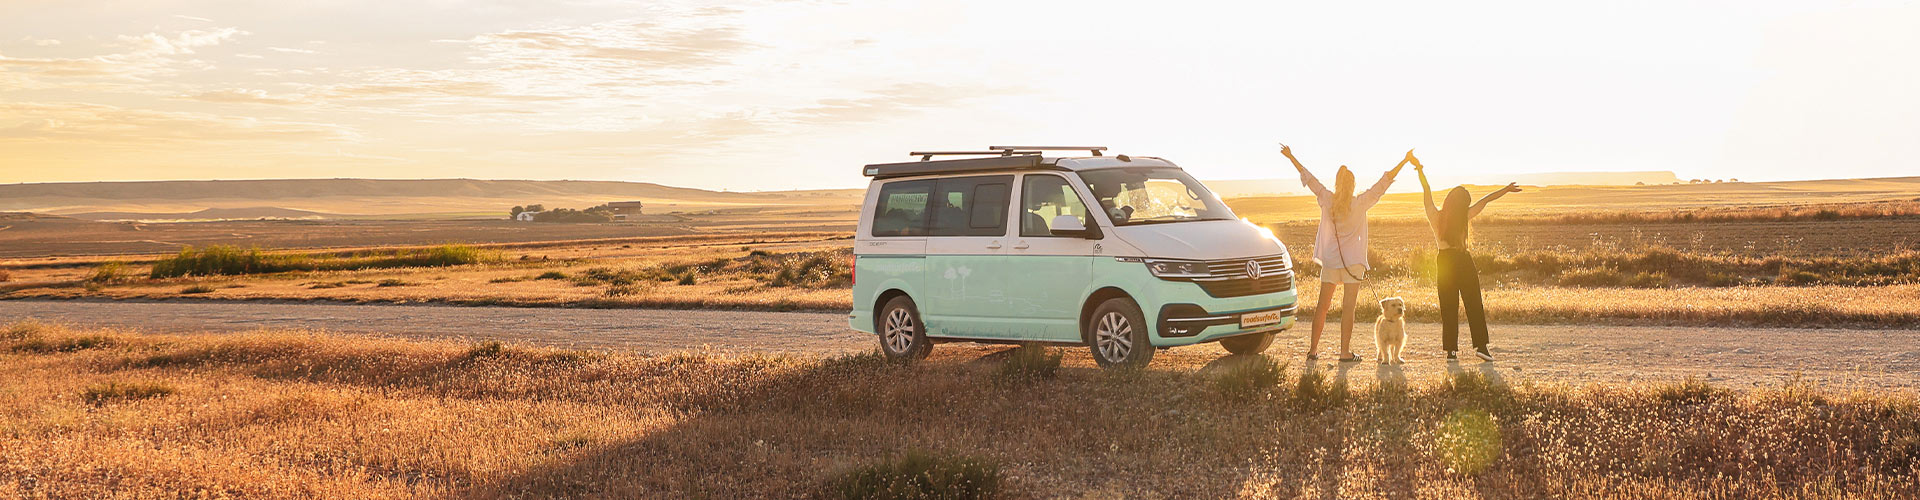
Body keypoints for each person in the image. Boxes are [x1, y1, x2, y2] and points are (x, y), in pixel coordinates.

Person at [1282, 144, 1408, 363]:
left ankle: (1313, 351)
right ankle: (1344, 353)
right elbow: (1383, 183)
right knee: (1348, 310)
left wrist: (1291, 156)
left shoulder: (1327, 198)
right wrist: (1404, 161)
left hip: (1331, 262)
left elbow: (1309, 178)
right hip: (1353, 264)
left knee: (1322, 308)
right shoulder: (1360, 202)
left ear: (1337, 184)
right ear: (1353, 185)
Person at [1410, 152, 1521, 361]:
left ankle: (1451, 352)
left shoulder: (1435, 216)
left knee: (1448, 307)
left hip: (1443, 262)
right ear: (1462, 205)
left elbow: (1426, 191)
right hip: (1463, 261)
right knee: (1474, 304)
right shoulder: (1464, 216)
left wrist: (1420, 171)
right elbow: (1486, 200)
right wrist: (1506, 190)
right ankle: (1481, 347)